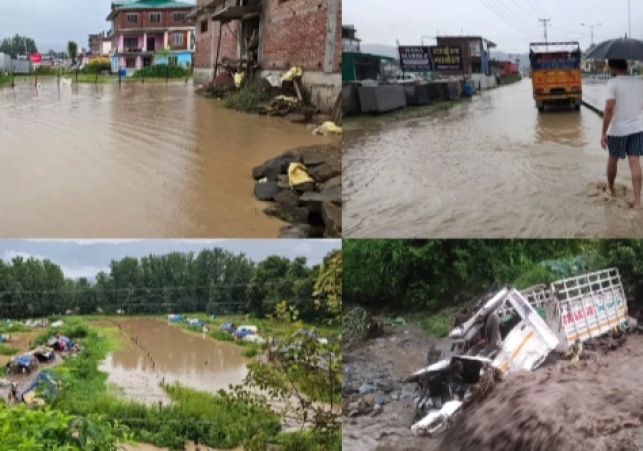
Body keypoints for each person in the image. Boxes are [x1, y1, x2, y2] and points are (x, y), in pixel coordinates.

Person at [601, 59, 643, 208]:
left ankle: (610, 188)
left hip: (618, 130)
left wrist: (603, 132)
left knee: (613, 159)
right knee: (635, 162)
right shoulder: (639, 82)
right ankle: (637, 200)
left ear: (613, 68)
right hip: (637, 128)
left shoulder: (612, 84)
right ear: (626, 66)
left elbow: (609, 109)